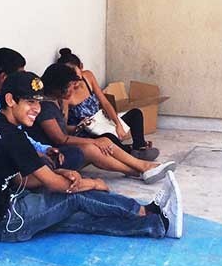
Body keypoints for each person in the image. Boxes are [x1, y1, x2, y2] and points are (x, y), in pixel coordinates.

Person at [0, 71, 183, 242]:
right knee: (75, 196)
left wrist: (60, 172)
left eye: (38, 102)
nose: (36, 109)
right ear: (10, 100)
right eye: (30, 102)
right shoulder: (11, 136)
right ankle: (145, 210)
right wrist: (94, 182)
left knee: (81, 220)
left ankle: (157, 225)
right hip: (5, 221)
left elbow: (17, 179)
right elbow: (57, 186)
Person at [28, 63, 175, 184]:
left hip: (63, 146)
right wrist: (93, 141)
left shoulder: (55, 101)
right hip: (53, 154)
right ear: (59, 86)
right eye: (71, 86)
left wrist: (84, 130)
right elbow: (59, 139)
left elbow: (63, 131)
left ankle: (143, 166)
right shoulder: (45, 107)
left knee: (104, 140)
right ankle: (139, 170)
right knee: (94, 147)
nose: (74, 89)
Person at [0, 47, 83, 170]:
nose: (37, 108)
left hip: (15, 158)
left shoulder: (7, 99)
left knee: (72, 155)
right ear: (4, 78)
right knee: (49, 168)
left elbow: (19, 135)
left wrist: (44, 149)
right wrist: (33, 156)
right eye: (31, 102)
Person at [57, 48, 159, 161]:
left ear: (81, 67)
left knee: (135, 113)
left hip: (102, 120)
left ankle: (139, 147)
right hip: (88, 130)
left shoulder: (88, 77)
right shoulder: (65, 94)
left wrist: (118, 124)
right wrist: (80, 125)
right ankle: (130, 153)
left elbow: (105, 102)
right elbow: (64, 128)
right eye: (71, 79)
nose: (75, 82)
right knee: (108, 138)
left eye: (76, 77)